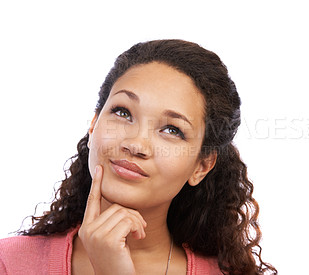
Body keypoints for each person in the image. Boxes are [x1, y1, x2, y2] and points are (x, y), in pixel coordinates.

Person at [0, 39, 276, 274]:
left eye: (172, 129)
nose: (136, 144)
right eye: (122, 112)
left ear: (201, 166)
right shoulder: (9, 263)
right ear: (94, 123)